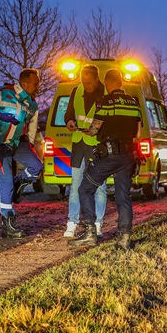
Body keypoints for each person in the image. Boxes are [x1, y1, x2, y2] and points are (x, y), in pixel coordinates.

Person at [70, 69, 142, 250]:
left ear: (107, 83)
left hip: (109, 155)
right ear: (121, 82)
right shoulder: (134, 103)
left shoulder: (105, 102)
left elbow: (95, 129)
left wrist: (86, 130)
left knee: (85, 189)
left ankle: (89, 233)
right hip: (127, 156)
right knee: (123, 196)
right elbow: (138, 132)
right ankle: (124, 237)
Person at [0, 68, 43, 238]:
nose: (38, 86)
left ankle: (19, 182)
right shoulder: (2, 92)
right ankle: (8, 222)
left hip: (18, 143)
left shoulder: (32, 104)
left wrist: (31, 143)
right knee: (5, 182)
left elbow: (31, 126)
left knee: (36, 167)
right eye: (35, 83)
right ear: (24, 83)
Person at [63, 64, 107, 238]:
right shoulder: (76, 91)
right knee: (75, 185)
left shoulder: (105, 93)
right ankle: (72, 222)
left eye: (89, 82)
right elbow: (69, 113)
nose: (86, 85)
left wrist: (97, 130)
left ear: (97, 79)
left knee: (100, 187)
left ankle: (97, 224)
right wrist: (69, 122)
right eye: (83, 81)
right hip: (79, 143)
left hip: (97, 144)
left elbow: (108, 119)